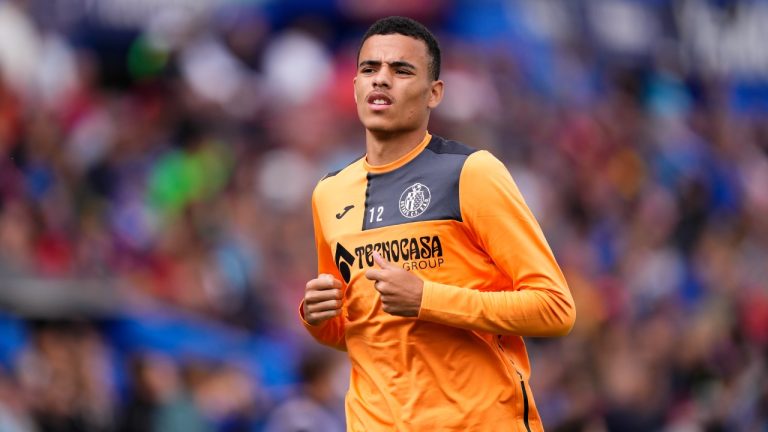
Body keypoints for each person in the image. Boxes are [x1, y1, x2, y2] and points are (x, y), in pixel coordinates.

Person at [299, 16, 575, 431]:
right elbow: (361, 329)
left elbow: (554, 309)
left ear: (434, 93)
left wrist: (428, 298)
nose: (381, 80)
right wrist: (318, 318)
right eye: (369, 69)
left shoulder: (471, 173)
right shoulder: (329, 193)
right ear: (355, 86)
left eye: (401, 70)